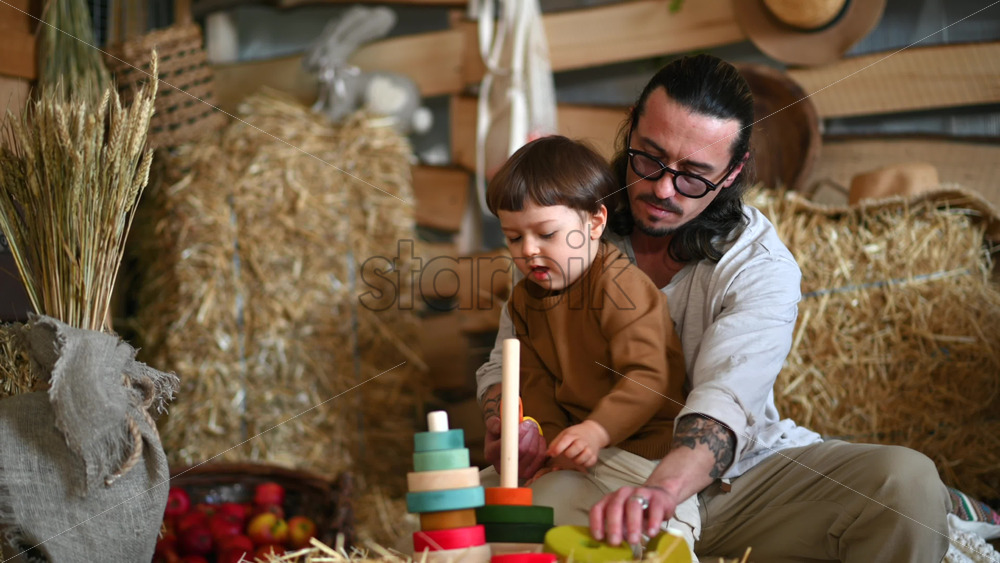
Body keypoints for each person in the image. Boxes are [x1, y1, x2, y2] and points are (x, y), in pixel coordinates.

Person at [475, 54, 951, 562]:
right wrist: (510, 423)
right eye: (650, 159)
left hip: (733, 485)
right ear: (631, 125)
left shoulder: (759, 263)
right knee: (476, 524)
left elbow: (727, 402)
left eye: (694, 176)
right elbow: (508, 362)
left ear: (733, 172)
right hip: (593, 475)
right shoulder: (562, 225)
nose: (663, 189)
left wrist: (659, 493)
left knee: (906, 485)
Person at [481, 135, 699, 556]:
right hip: (581, 452)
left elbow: (649, 377)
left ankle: (665, 545)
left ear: (595, 222)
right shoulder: (527, 299)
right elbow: (534, 379)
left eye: (546, 233)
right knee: (476, 500)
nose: (528, 252)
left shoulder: (620, 286)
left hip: (641, 453)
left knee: (566, 517)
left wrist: (597, 432)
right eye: (512, 238)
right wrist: (547, 444)